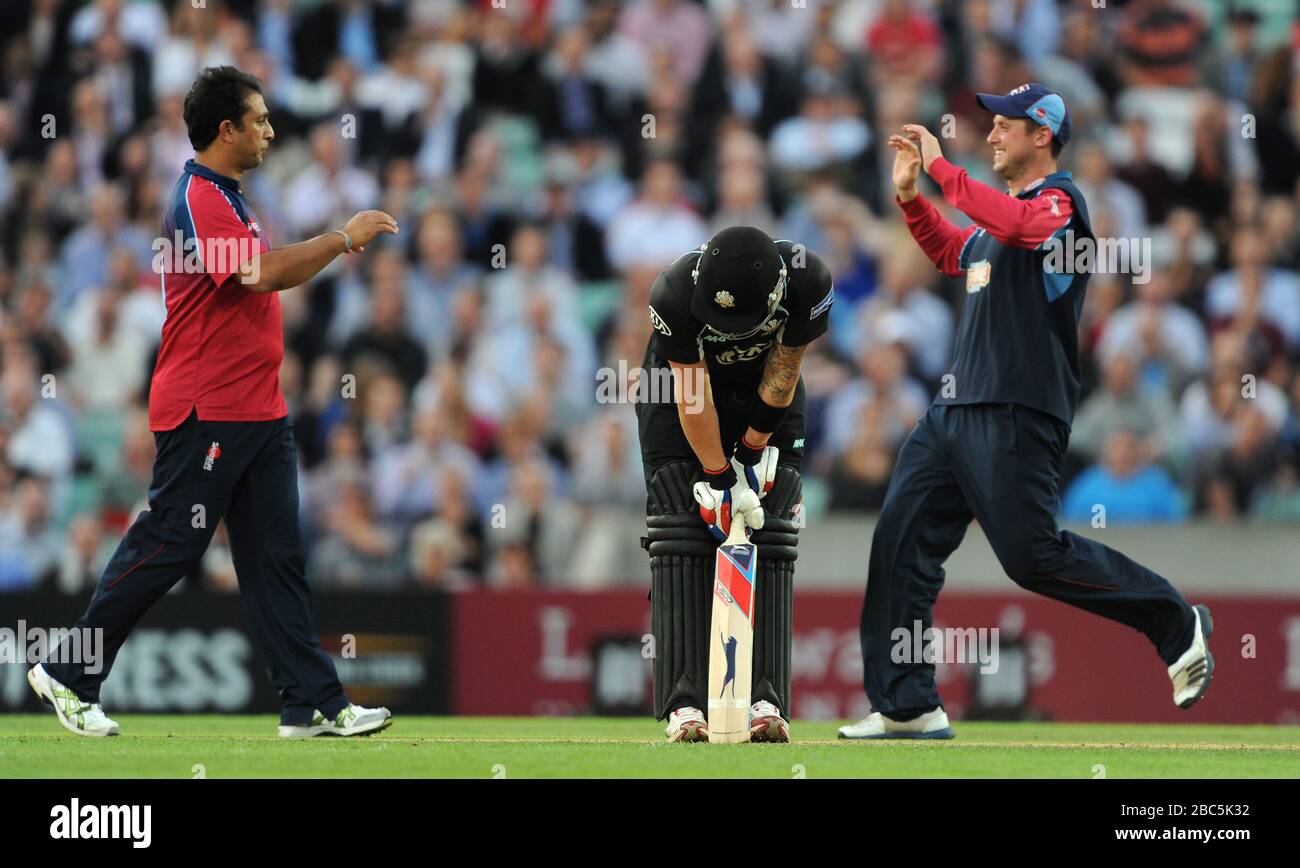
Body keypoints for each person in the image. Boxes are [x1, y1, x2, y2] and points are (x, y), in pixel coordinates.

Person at [28, 66, 399, 738]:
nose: (269, 131)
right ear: (225, 130)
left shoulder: (227, 196)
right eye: (258, 120)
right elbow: (259, 275)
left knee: (275, 557)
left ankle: (310, 703)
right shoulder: (200, 197)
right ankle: (67, 670)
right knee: (171, 541)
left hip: (257, 408)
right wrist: (342, 239)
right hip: (208, 407)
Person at [840, 84, 1213, 740]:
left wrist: (940, 167)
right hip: (955, 411)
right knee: (899, 544)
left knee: (1031, 555)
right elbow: (954, 254)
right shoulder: (999, 217)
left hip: (1018, 411)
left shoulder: (1061, 206)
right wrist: (909, 200)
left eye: (1003, 126)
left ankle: (1176, 622)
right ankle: (906, 704)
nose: (990, 136)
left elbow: (1016, 227)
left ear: (1042, 133)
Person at [636, 225, 833, 742]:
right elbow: (692, 393)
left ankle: (766, 700)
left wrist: (750, 453)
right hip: (680, 390)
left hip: (764, 391)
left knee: (771, 522)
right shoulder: (674, 292)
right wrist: (720, 477)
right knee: (680, 522)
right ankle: (684, 705)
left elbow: (785, 369)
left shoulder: (807, 280)